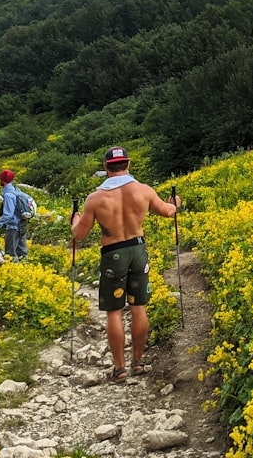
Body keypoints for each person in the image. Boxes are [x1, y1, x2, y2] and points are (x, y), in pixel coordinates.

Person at [71, 146, 180, 381]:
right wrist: (175, 203)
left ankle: (119, 368)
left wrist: (75, 219)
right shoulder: (143, 190)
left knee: (114, 311)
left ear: (106, 167)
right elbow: (167, 211)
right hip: (137, 249)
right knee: (138, 306)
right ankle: (138, 362)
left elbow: (78, 235)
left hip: (113, 252)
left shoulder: (96, 198)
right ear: (128, 165)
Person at [0, 169, 29, 262]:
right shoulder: (16, 190)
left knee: (10, 255)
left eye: (0, 178)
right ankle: (25, 271)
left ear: (2, 180)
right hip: (22, 225)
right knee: (22, 253)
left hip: (13, 228)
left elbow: (8, 215)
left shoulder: (8, 195)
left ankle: (14, 273)